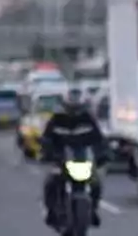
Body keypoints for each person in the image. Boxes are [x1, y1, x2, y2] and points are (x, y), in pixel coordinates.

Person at [41, 87, 106, 227]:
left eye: (77, 108)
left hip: (82, 161)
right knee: (50, 183)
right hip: (62, 161)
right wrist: (48, 153)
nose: (74, 112)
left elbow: (99, 140)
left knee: (96, 184)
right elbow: (46, 139)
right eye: (71, 108)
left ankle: (93, 209)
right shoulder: (56, 119)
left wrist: (102, 155)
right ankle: (51, 212)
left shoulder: (88, 120)